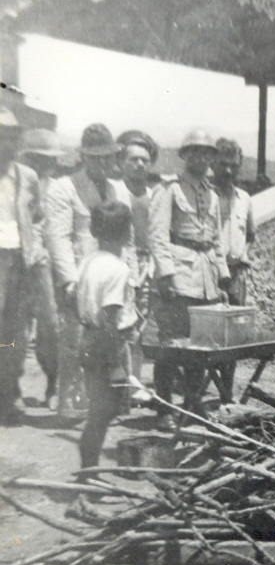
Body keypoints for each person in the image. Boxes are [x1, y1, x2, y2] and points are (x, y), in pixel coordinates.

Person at [149, 129, 230, 429]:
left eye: (207, 153)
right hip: (179, 278)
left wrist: (222, 279)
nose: (201, 158)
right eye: (194, 152)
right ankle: (164, 410)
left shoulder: (211, 194)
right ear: (184, 156)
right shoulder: (169, 188)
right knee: (170, 347)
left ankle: (191, 407)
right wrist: (166, 275)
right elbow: (157, 236)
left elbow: (217, 241)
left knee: (200, 348)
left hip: (206, 277)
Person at [46, 123, 128, 415]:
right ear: (84, 156)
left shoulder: (118, 189)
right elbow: (58, 237)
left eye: (108, 157)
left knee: (113, 338)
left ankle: (109, 403)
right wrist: (70, 282)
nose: (103, 163)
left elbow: (124, 235)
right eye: (96, 157)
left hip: (111, 278)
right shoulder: (64, 188)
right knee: (74, 342)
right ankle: (70, 404)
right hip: (80, 278)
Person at [76, 201, 137, 468]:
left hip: (88, 339)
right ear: (126, 235)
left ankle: (89, 466)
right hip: (107, 345)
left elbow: (74, 298)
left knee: (100, 408)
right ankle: (88, 468)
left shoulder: (89, 261)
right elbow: (109, 319)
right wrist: (115, 365)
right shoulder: (118, 269)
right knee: (102, 412)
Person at [0, 110, 48, 425]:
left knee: (15, 332)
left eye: (13, 135)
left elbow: (39, 216)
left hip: (18, 261)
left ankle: (9, 393)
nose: (8, 141)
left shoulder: (27, 176)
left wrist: (34, 246)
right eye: (3, 134)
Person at [17, 128, 66, 406]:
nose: (44, 164)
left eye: (48, 159)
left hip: (48, 268)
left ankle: (53, 384)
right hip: (18, 266)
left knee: (50, 328)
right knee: (15, 331)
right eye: (37, 158)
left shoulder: (57, 187)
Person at [210, 138, 255, 402]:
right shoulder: (206, 197)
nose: (228, 171)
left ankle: (226, 392)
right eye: (223, 165)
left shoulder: (245, 199)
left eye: (233, 166)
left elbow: (250, 234)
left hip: (237, 274)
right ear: (214, 164)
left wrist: (244, 255)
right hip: (212, 273)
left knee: (234, 338)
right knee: (211, 337)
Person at [113, 130, 159, 381]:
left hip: (148, 266)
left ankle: (135, 380)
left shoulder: (155, 196)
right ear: (121, 162)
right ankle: (119, 381)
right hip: (121, 262)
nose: (140, 164)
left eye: (145, 159)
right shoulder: (115, 191)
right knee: (121, 323)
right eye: (133, 159)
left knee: (141, 324)